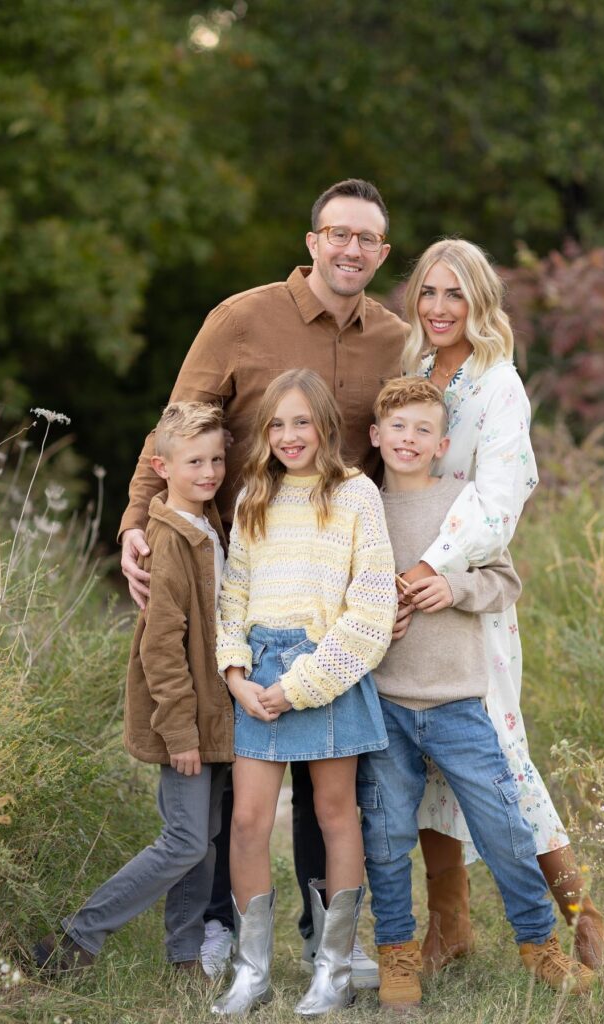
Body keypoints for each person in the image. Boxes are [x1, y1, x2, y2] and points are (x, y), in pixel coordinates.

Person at [117, 178, 406, 985]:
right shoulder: (241, 318)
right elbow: (176, 423)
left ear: (381, 255)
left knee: (331, 777)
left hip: (333, 577)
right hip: (233, 559)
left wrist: (395, 581)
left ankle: (328, 941)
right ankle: (215, 926)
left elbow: (402, 449)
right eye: (336, 234)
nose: (351, 250)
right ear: (312, 240)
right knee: (224, 758)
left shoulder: (394, 338)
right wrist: (138, 520)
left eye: (367, 240)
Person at [397, 239, 604, 971]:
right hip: (407, 594)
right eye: (429, 292)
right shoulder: (414, 369)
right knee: (425, 759)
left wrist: (437, 566)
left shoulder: (500, 385)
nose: (438, 308)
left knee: (498, 752)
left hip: (468, 592)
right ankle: (450, 927)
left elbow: (501, 495)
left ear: (480, 302)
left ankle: (583, 919)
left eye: (455, 294)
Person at [358, 377, 594, 1008]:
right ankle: (398, 953)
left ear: (442, 444)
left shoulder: (463, 506)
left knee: (504, 826)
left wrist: (455, 589)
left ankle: (539, 942)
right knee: (384, 837)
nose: (408, 440)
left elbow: (504, 582)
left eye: (422, 431)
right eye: (397, 428)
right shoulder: (362, 506)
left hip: (459, 703)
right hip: (383, 704)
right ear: (376, 436)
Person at [212, 369, 396, 1016]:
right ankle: (252, 971)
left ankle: (334, 968)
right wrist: (238, 676)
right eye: (277, 424)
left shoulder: (355, 495)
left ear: (325, 425)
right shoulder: (253, 496)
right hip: (257, 674)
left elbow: (371, 606)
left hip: (328, 667)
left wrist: (301, 686)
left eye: (301, 422)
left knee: (335, 814)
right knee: (247, 820)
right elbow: (232, 594)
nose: (290, 436)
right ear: (265, 433)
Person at [34, 402, 233, 973]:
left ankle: (185, 955)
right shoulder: (168, 539)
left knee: (206, 838)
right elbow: (160, 646)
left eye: (217, 459)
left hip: (212, 712)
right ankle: (77, 938)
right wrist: (179, 730)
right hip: (185, 718)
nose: (210, 471)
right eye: (195, 461)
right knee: (186, 840)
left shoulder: (205, 521)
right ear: (161, 466)